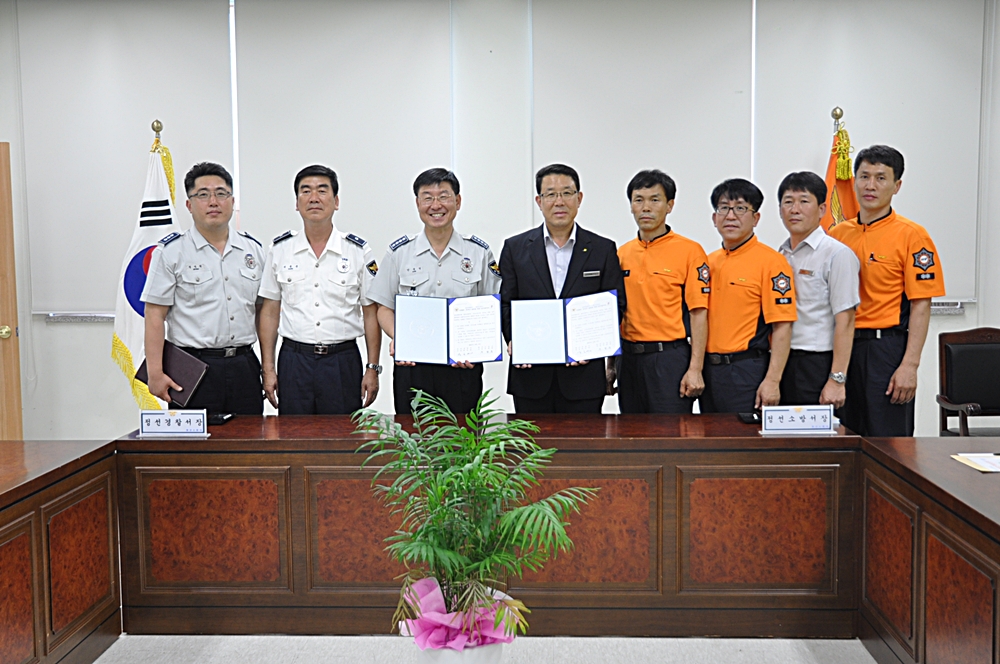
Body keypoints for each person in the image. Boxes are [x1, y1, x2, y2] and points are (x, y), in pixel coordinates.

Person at [828, 145, 945, 436]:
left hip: (885, 351)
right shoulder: (837, 235)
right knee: (842, 438)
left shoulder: (912, 236)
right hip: (840, 349)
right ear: (854, 181)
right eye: (864, 176)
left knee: (889, 443)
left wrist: (910, 366)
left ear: (897, 186)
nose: (870, 185)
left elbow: (921, 305)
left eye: (881, 178)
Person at [368, 168, 500, 415]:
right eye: (427, 197)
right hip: (412, 366)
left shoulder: (479, 252)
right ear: (418, 203)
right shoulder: (399, 253)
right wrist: (401, 338)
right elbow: (383, 308)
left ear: (457, 201)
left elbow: (491, 307)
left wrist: (476, 346)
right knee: (412, 435)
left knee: (463, 435)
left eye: (444, 196)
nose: (436, 205)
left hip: (462, 368)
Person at [499, 163, 625, 414]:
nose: (559, 201)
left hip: (584, 376)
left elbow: (615, 305)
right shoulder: (515, 248)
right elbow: (505, 303)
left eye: (567, 193)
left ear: (579, 198)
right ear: (539, 201)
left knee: (583, 440)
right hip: (530, 375)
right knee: (530, 440)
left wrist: (593, 346)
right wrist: (515, 339)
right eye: (551, 194)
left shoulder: (602, 249)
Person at [141, 162, 265, 415]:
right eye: (203, 195)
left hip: (244, 365)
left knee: (249, 438)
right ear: (189, 205)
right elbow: (154, 314)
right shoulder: (171, 252)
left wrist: (269, 368)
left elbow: (263, 312)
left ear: (232, 201)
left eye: (221, 193)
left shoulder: (253, 250)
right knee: (196, 440)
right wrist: (155, 373)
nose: (213, 202)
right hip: (192, 368)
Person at [257, 165, 382, 414]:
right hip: (294, 360)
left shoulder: (357, 251)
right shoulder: (280, 250)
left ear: (336, 201)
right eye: (306, 191)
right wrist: (268, 369)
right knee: (293, 433)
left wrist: (372, 368)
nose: (314, 198)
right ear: (297, 203)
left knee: (343, 434)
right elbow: (269, 312)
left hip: (342, 361)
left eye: (322, 190)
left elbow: (371, 313)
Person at [610, 169, 709, 413]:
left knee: (670, 432)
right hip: (628, 359)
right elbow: (613, 313)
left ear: (669, 205)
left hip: (669, 359)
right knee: (630, 432)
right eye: (638, 200)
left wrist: (695, 369)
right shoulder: (621, 254)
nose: (646, 208)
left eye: (655, 200)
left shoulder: (690, 251)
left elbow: (698, 313)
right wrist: (610, 365)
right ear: (631, 206)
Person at [701, 178, 797, 413]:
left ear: (756, 218)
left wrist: (772, 380)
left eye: (741, 208)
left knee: (743, 435)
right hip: (708, 371)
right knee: (707, 435)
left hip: (746, 370)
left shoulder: (772, 263)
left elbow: (782, 327)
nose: (730, 216)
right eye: (724, 208)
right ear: (714, 218)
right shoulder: (707, 263)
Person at [777, 171, 860, 408]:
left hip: (817, 363)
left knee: (817, 432)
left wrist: (837, 379)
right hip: (782, 361)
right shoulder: (780, 254)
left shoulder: (837, 254)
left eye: (804, 201)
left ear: (822, 209)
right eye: (788, 202)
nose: (795, 209)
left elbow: (846, 321)